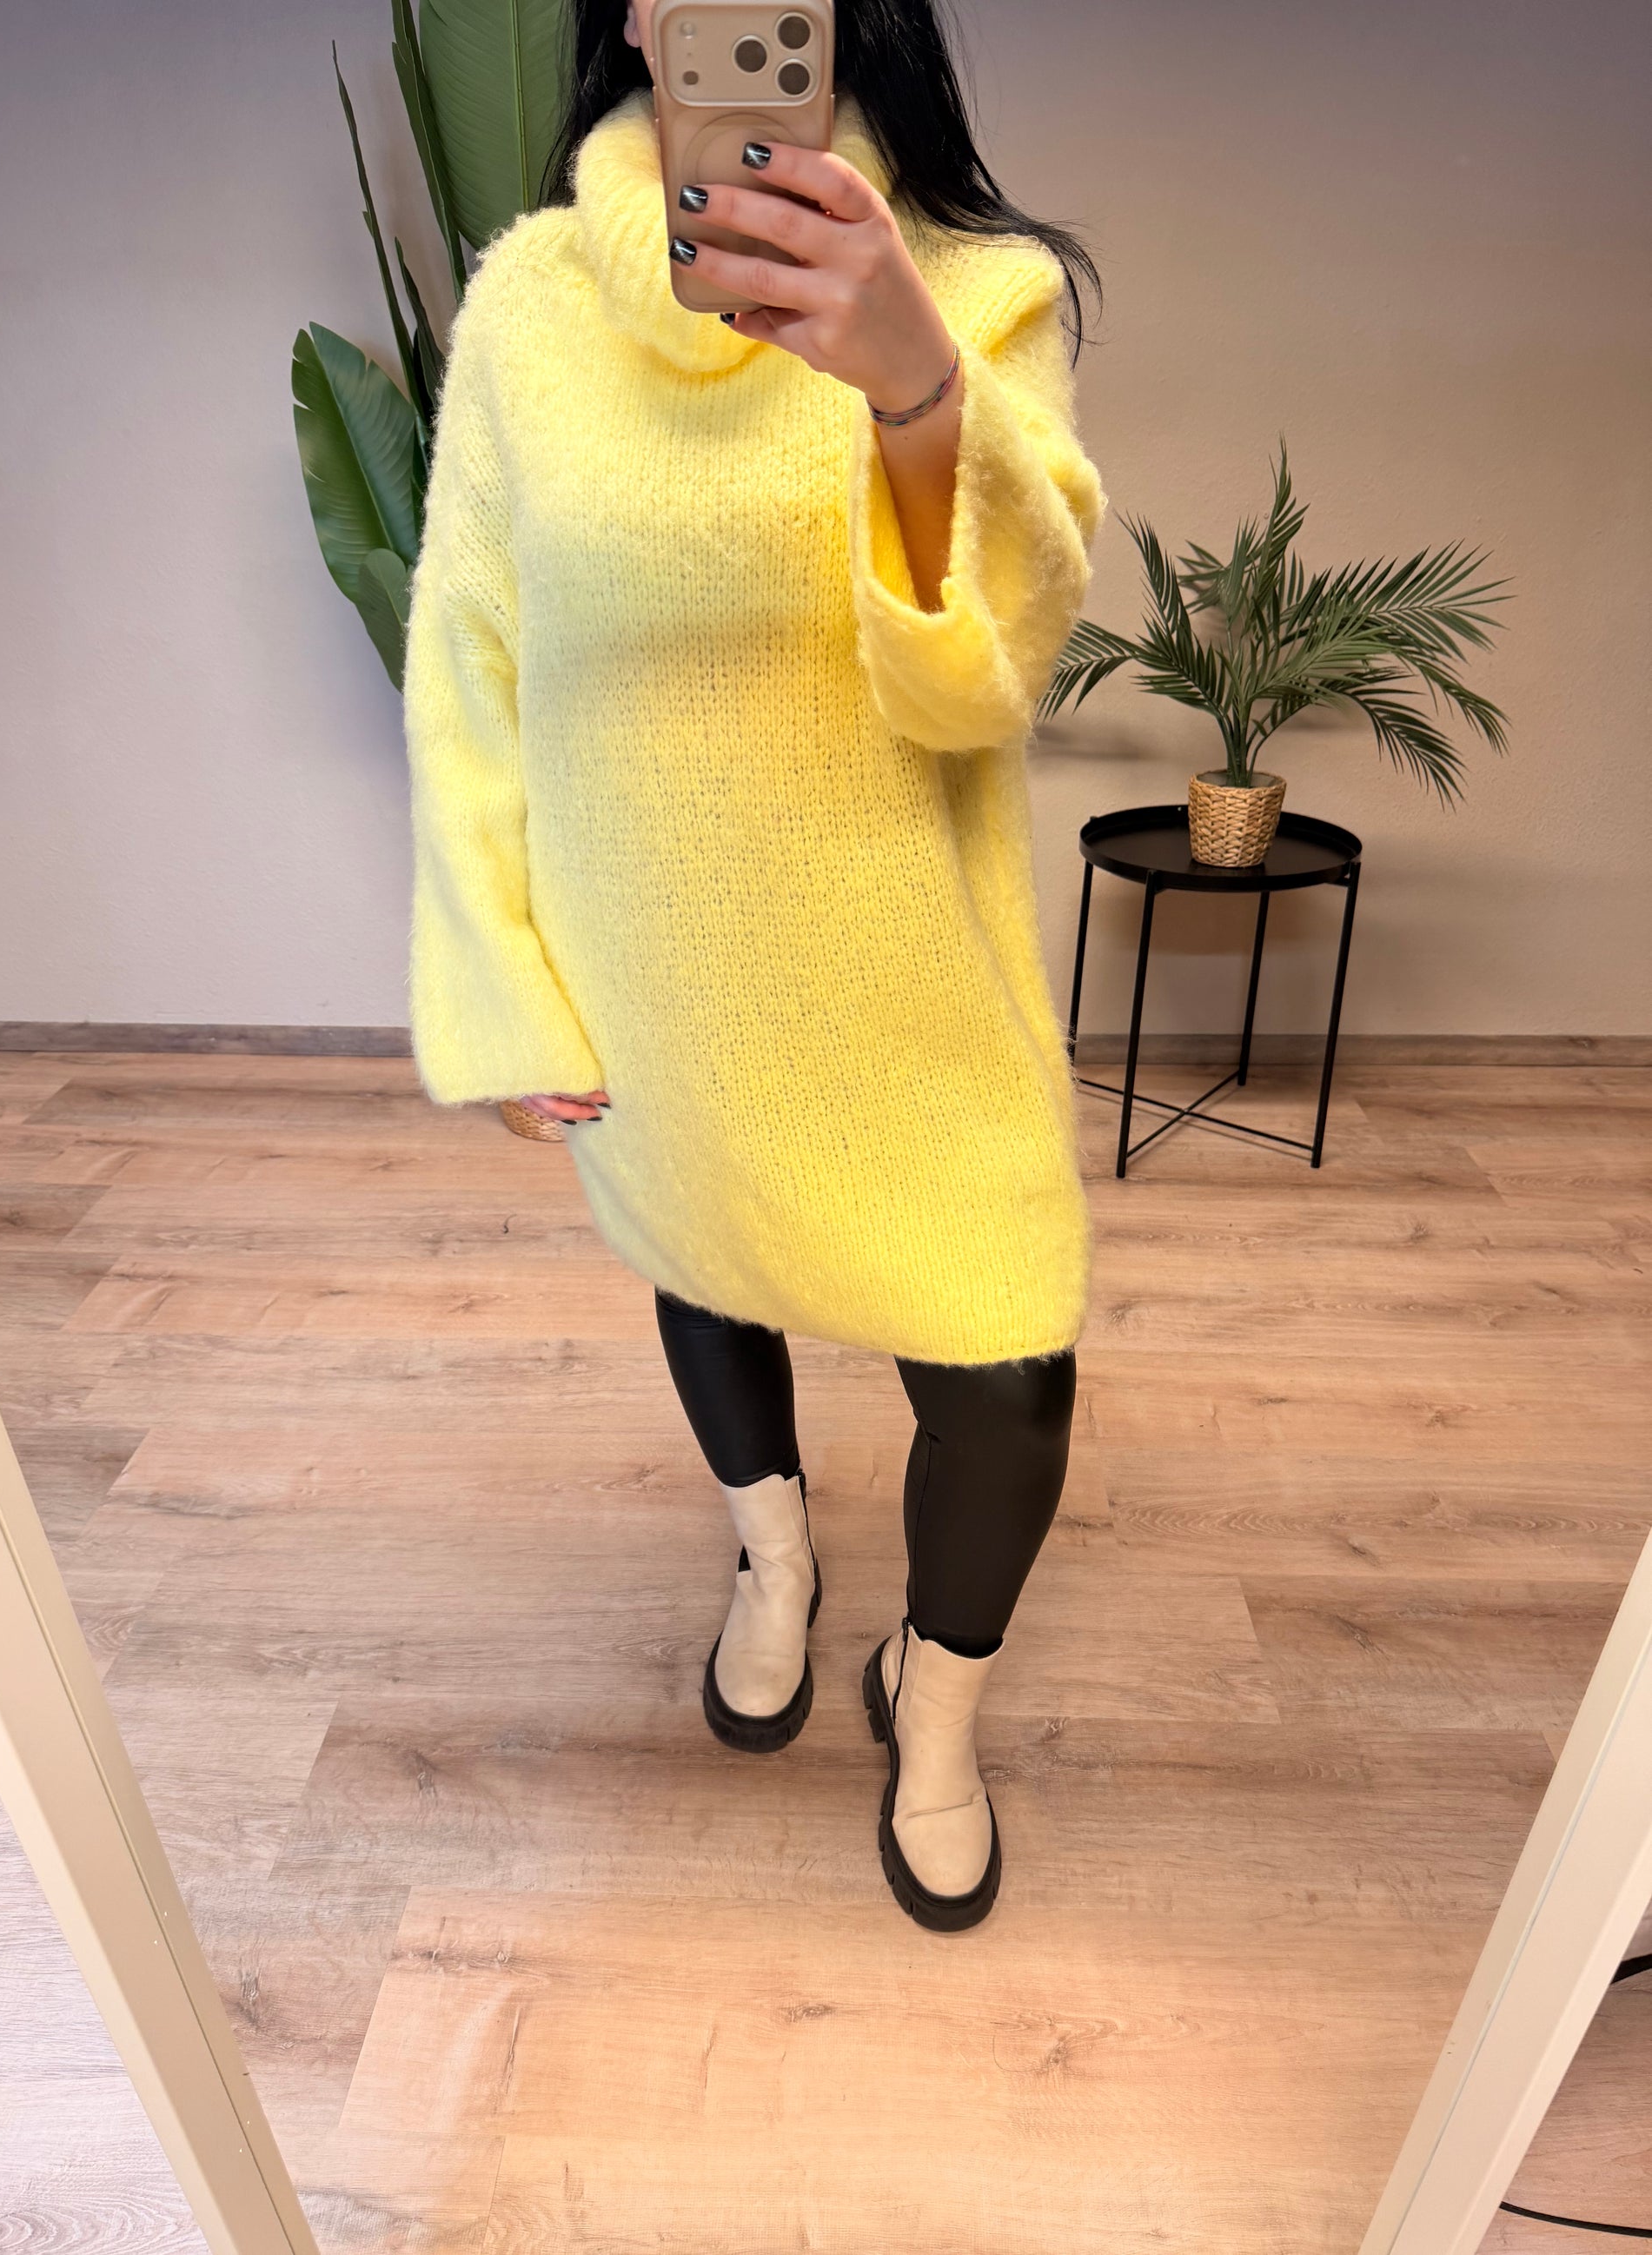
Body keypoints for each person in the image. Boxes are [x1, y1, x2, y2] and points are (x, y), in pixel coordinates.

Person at [401, 0, 1107, 1933]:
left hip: (902, 969)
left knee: (1006, 1381)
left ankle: (933, 1705)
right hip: (654, 961)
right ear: (632, 14)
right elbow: (467, 654)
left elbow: (983, 679)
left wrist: (915, 392)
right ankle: (773, 1561)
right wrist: (501, 979)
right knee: (706, 1266)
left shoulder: (977, 287)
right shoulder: (529, 304)